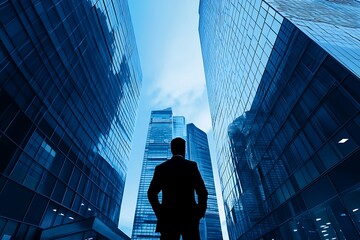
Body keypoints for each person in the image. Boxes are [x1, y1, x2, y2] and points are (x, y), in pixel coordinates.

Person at [148, 137, 208, 240]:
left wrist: (161, 213)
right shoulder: (191, 166)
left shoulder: (161, 168)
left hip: (168, 219)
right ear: (184, 150)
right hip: (190, 218)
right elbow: (202, 192)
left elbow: (151, 194)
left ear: (171, 150)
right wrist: (199, 213)